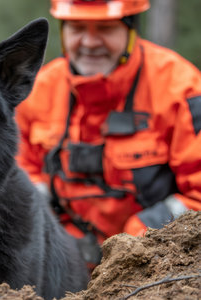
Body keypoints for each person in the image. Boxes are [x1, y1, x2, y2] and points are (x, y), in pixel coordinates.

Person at [15, 0, 201, 265]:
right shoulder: (37, 94)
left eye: (105, 27)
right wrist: (59, 240)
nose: (90, 42)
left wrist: (136, 241)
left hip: (153, 266)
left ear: (131, 30)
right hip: (60, 261)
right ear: (62, 30)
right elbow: (20, 180)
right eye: (78, 27)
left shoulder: (180, 89)